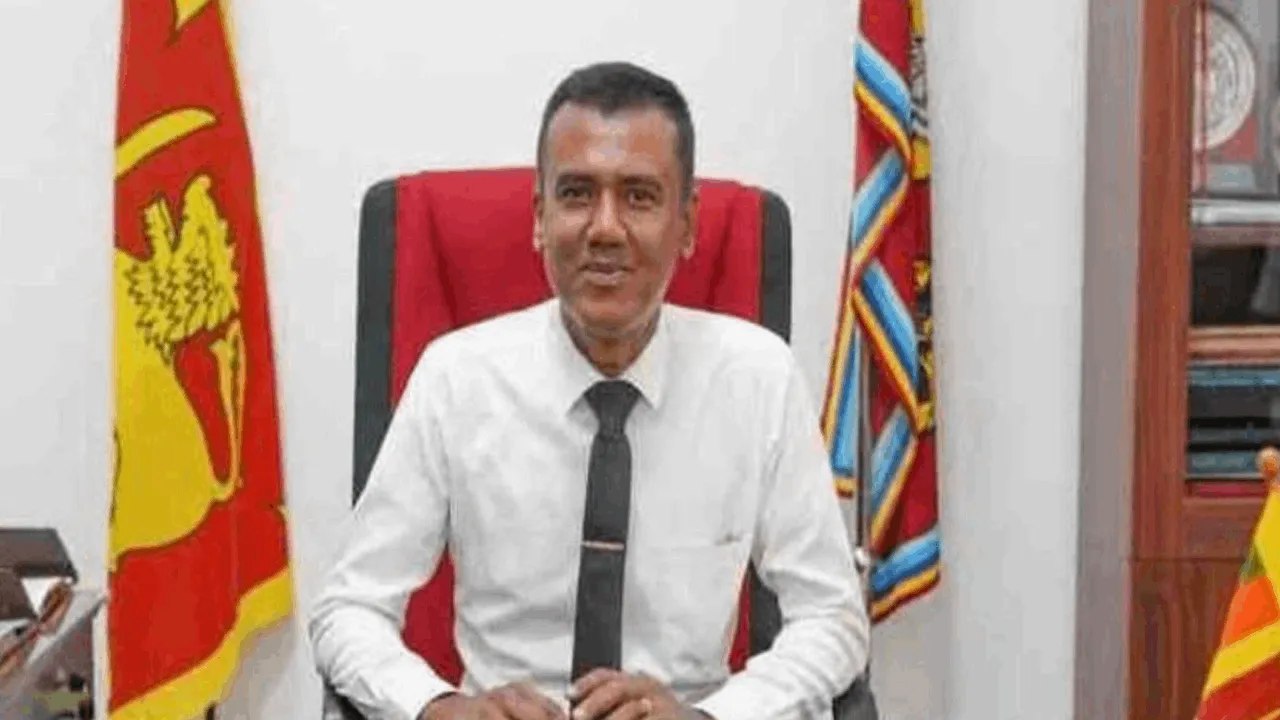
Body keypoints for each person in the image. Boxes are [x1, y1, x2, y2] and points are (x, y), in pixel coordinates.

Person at [308, 60, 870, 720]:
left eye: (639, 197)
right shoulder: (456, 378)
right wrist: (437, 706)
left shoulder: (757, 379)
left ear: (687, 224)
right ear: (539, 218)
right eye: (576, 194)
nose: (604, 228)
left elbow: (832, 618)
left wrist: (713, 717)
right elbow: (349, 609)